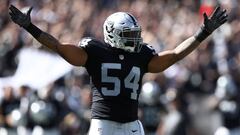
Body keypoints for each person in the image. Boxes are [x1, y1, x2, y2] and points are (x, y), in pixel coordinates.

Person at [9, 4, 228, 135]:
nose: (134, 38)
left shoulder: (141, 55)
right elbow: (59, 47)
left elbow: (175, 55)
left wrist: (202, 33)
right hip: (104, 125)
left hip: (132, 126)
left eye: (135, 33)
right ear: (111, 33)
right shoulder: (94, 51)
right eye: (128, 34)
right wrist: (30, 27)